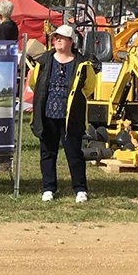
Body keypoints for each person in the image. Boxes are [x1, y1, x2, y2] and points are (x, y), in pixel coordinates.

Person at [27, 24, 96, 204]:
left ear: (71, 41)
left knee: (74, 153)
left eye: (61, 37)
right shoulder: (43, 61)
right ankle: (48, 188)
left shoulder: (82, 63)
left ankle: (80, 189)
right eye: (55, 37)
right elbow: (35, 83)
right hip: (47, 114)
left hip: (71, 116)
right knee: (47, 153)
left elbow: (89, 87)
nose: (57, 40)